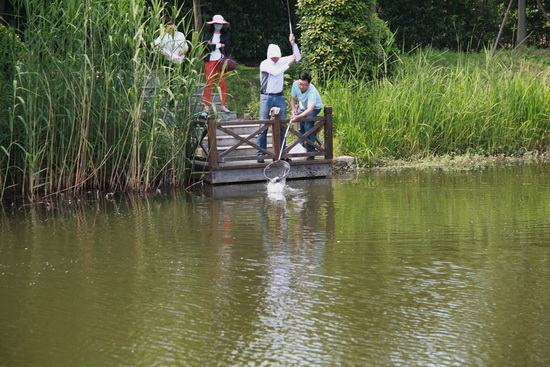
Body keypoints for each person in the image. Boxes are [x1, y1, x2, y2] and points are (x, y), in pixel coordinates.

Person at [256, 34, 301, 163]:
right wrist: (289, 63)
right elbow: (276, 72)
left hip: (279, 96)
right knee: (263, 125)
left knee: (282, 125)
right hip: (266, 97)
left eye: (277, 57)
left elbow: (297, 57)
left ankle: (282, 153)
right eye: (273, 58)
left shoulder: (281, 60)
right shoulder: (264, 64)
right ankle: (261, 154)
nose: (275, 60)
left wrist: (293, 44)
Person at [290, 72, 323, 159]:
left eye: (304, 85)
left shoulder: (312, 91)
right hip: (302, 106)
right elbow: (292, 99)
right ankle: (300, 147)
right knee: (300, 127)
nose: (301, 87)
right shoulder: (295, 84)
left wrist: (298, 117)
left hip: (314, 107)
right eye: (300, 84)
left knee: (308, 124)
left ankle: (310, 152)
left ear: (309, 84)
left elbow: (310, 109)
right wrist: (293, 109)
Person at [203, 14, 231, 114]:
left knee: (222, 83)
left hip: (221, 60)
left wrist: (214, 45)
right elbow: (206, 46)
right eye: (217, 24)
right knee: (209, 82)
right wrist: (219, 45)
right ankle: (206, 106)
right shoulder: (208, 33)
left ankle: (223, 105)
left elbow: (227, 47)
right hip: (210, 59)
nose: (218, 25)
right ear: (213, 24)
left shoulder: (225, 35)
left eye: (220, 24)